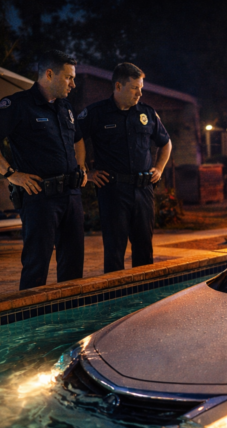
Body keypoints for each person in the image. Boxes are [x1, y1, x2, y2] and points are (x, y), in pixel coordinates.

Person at [0, 50, 88, 290]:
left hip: (71, 196)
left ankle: (72, 321)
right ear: (49, 74)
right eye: (68, 77)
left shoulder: (65, 108)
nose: (73, 84)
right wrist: (11, 174)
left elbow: (78, 139)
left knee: (74, 265)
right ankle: (32, 322)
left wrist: (81, 166)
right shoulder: (18, 105)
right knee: (37, 265)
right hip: (40, 198)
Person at [77, 62, 172, 273]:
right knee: (114, 248)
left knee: (144, 247)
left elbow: (166, 143)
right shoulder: (96, 113)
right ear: (118, 86)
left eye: (141, 88)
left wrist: (159, 168)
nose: (140, 93)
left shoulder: (147, 113)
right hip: (113, 190)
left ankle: (145, 297)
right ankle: (115, 298)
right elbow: (75, 138)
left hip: (143, 189)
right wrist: (86, 172)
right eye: (134, 88)